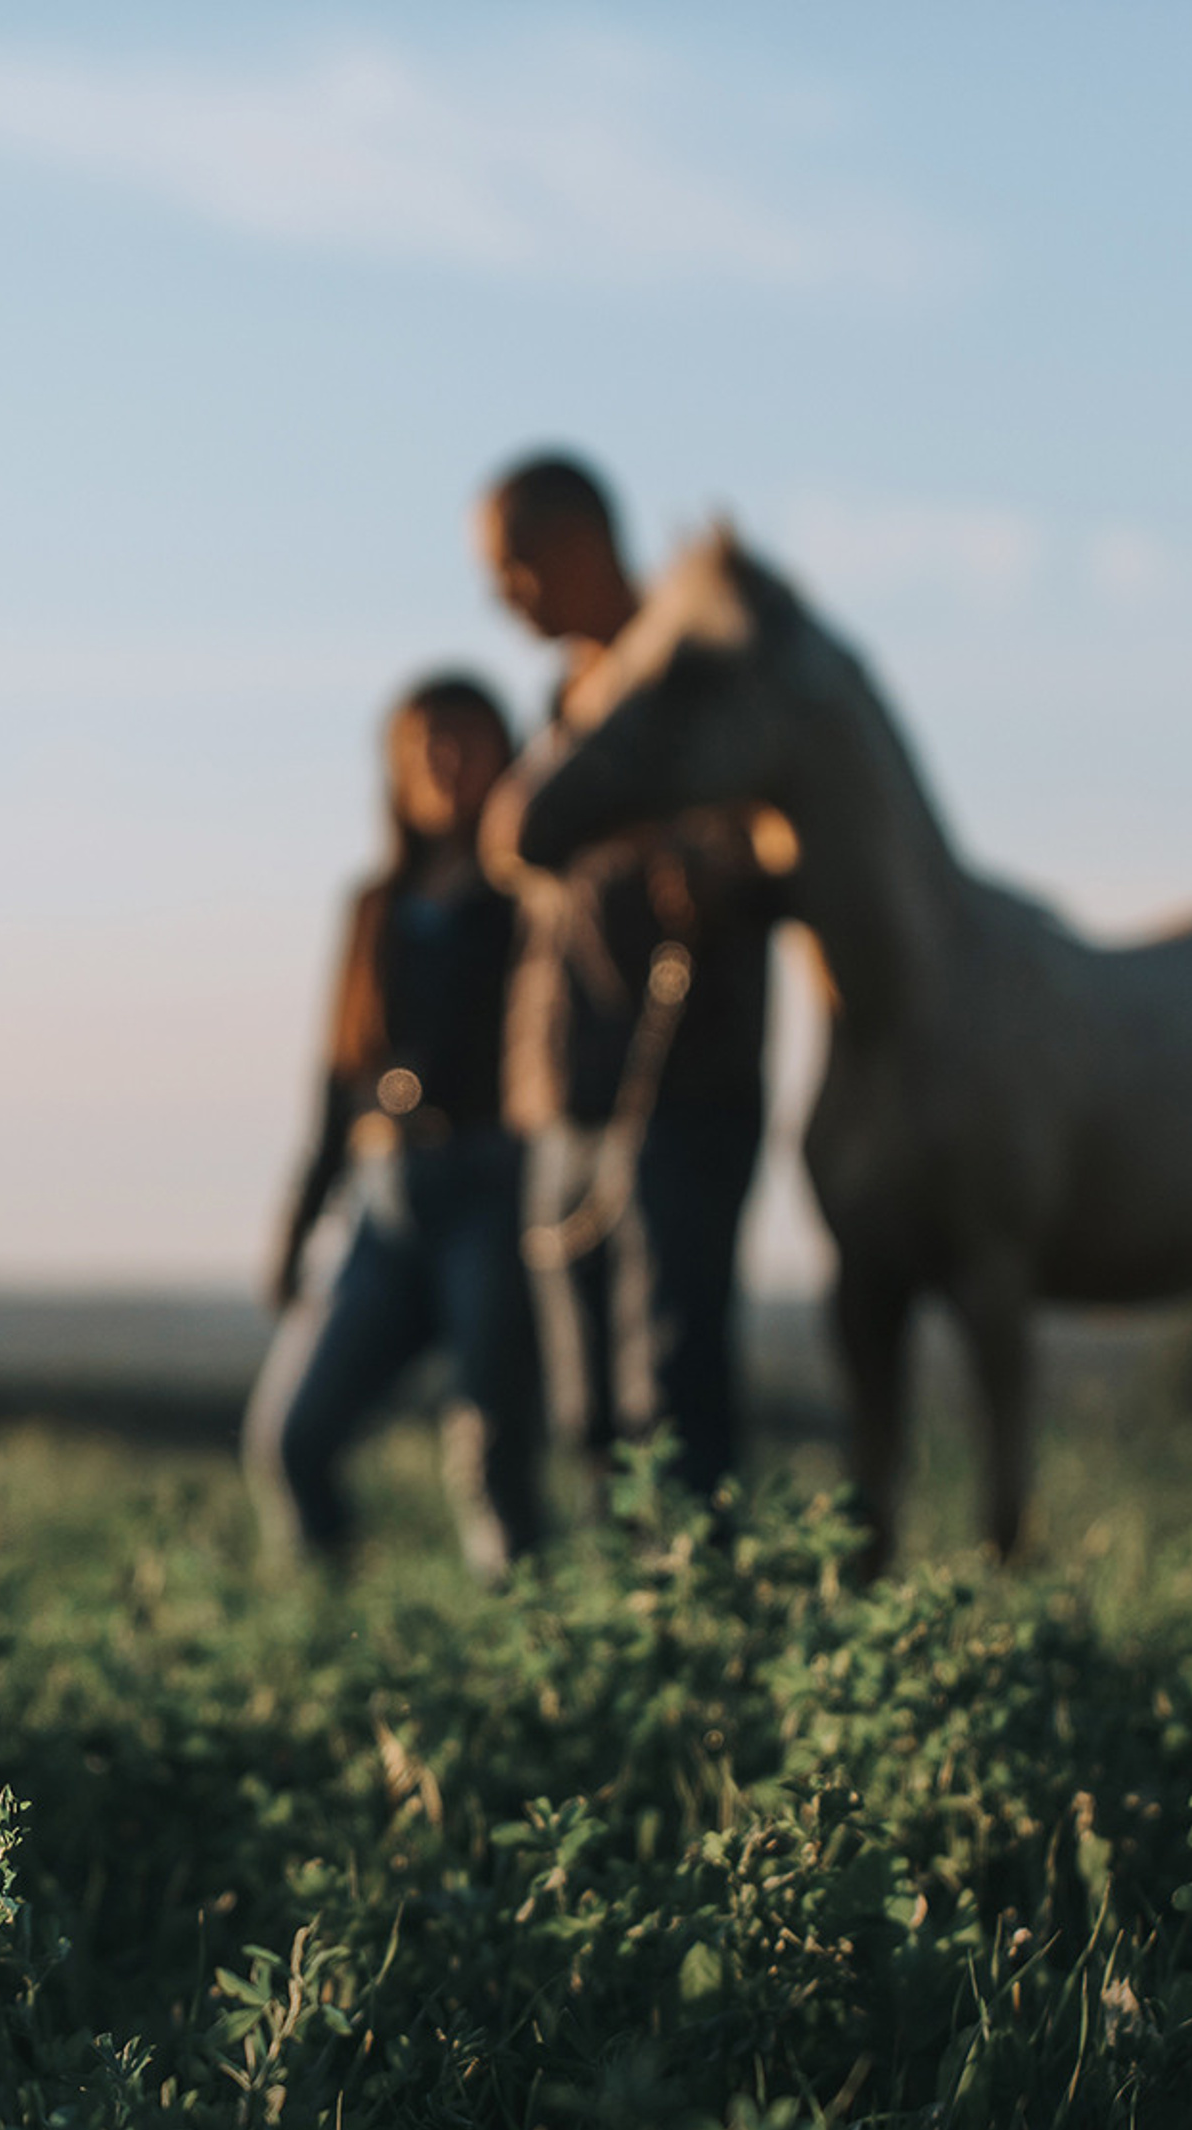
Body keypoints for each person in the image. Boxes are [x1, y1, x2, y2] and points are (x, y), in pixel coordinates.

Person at [476, 454, 779, 1501]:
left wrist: (717, 866)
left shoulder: (690, 675)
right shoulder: (564, 693)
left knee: (672, 1402)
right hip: (564, 1095)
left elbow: (771, 843)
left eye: (514, 567)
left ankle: (699, 1637)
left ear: (579, 544)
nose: (501, 596)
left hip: (676, 1091)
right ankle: (629, 1640)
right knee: (591, 1418)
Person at [245, 672, 547, 1575]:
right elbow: (339, 1073)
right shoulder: (374, 905)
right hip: (385, 1194)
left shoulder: (530, 900)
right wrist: (302, 1219)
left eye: (465, 743)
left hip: (495, 1189)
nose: (445, 765)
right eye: (424, 748)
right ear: (395, 772)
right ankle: (329, 1645)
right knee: (292, 1440)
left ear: (507, 759)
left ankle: (532, 1670)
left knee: (494, 1459)